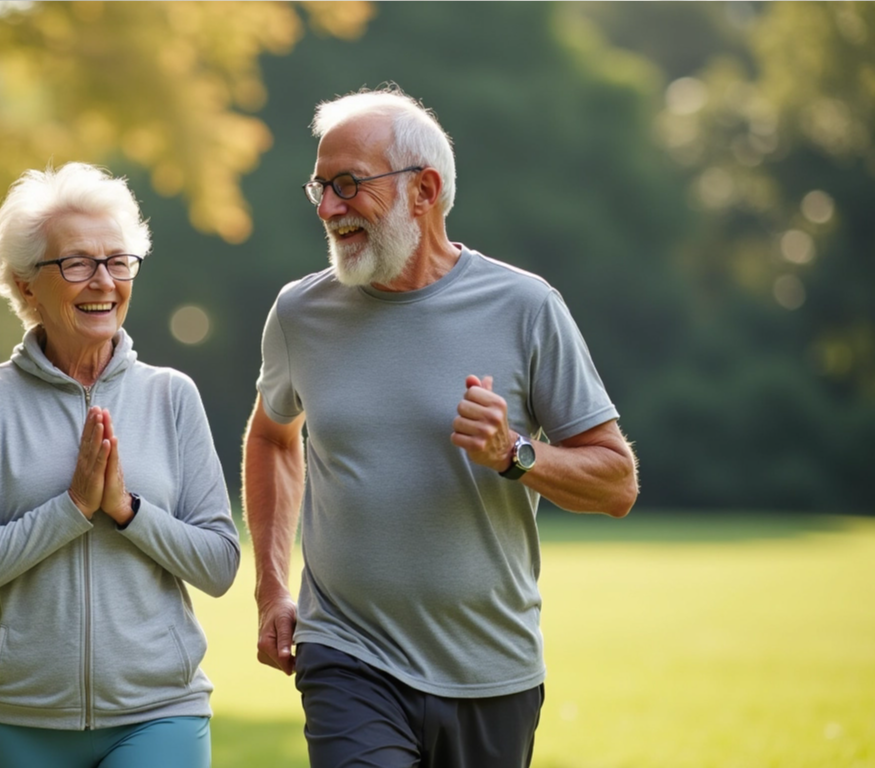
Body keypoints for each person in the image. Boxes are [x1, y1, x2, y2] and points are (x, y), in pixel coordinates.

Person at [243, 86, 639, 768]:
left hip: (492, 670)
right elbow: (273, 436)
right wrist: (273, 588)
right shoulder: (300, 313)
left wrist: (512, 453)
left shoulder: (525, 307)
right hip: (348, 653)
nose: (330, 209)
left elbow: (616, 484)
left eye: (348, 185)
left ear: (424, 191)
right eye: (320, 188)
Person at [0, 162, 240, 768]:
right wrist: (73, 508)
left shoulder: (172, 396)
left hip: (160, 712)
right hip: (20, 718)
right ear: (26, 284)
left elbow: (220, 564)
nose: (103, 281)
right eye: (76, 263)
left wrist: (126, 511)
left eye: (117, 261)